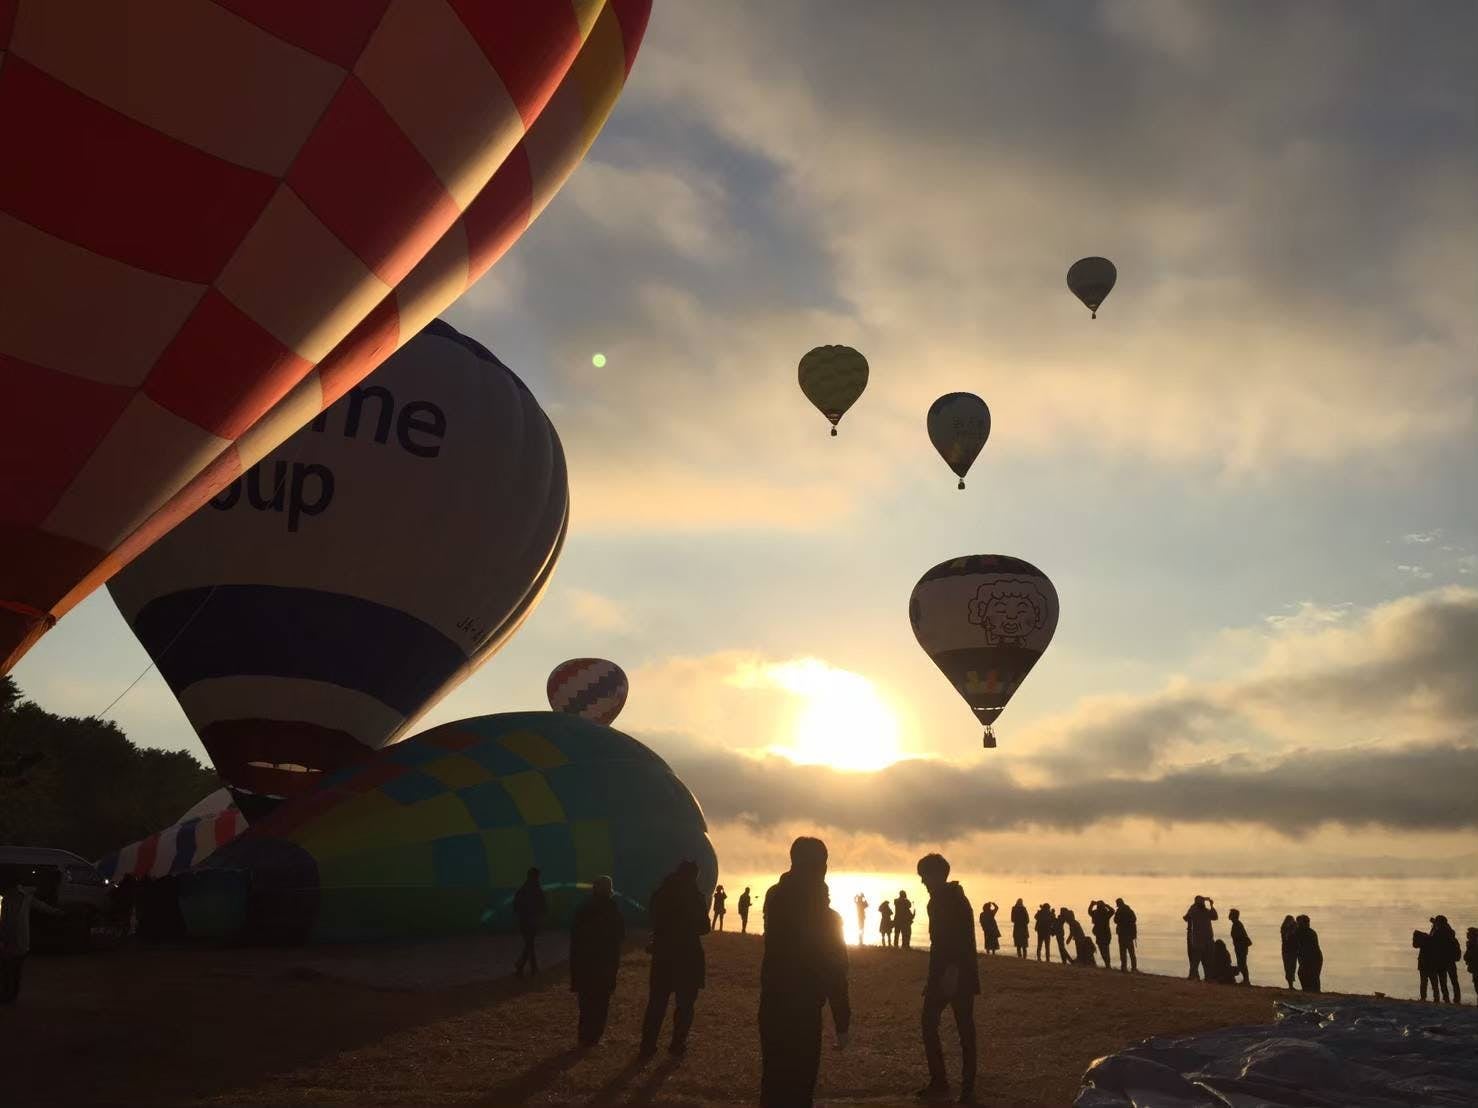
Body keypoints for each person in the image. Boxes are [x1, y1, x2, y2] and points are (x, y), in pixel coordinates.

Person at [759, 836, 852, 1108]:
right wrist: (842, 1022)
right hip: (804, 1010)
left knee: (773, 1082)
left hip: (773, 1003)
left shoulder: (774, 898)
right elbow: (835, 971)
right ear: (823, 867)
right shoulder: (828, 918)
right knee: (801, 1087)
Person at [915, 854, 978, 1104]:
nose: (922, 882)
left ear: (937, 875)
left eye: (924, 876)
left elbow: (959, 940)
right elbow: (939, 943)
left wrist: (951, 972)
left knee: (963, 1029)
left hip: (956, 975)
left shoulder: (952, 901)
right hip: (944, 974)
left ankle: (964, 1087)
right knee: (934, 1024)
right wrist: (933, 978)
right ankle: (942, 1082)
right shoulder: (941, 900)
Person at [639, 860, 710, 1057]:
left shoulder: (661, 893)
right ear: (693, 876)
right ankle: (677, 1045)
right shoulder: (694, 896)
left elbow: (652, 918)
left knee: (656, 1003)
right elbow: (705, 927)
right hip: (688, 956)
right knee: (685, 1005)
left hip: (663, 955)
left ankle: (647, 1046)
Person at [570, 876, 625, 1046]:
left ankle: (584, 1034)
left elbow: (576, 937)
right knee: (601, 1001)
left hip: (586, 962)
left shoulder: (584, 908)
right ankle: (594, 1035)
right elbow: (620, 936)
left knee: (586, 1001)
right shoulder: (613, 909)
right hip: (605, 963)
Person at [0, 875, 63, 1004]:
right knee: (13, 970)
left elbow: (7, 921)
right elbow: (42, 907)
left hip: (12, 940)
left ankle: (9, 995)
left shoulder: (10, 898)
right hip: (16, 940)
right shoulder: (22, 897)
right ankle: (10, 994)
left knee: (10, 970)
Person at [513, 867, 547, 977]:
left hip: (524, 921)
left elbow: (516, 906)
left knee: (529, 944)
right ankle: (529, 967)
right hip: (532, 921)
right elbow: (543, 907)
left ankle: (525, 966)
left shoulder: (522, 889)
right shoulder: (537, 890)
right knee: (529, 945)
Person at [1183, 895, 1218, 980]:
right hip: (1206, 940)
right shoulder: (1205, 911)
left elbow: (1186, 918)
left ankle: (1194, 977)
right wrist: (1211, 905)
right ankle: (1207, 978)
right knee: (1205, 962)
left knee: (1196, 962)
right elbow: (1215, 917)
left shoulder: (1194, 911)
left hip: (1200, 941)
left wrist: (1193, 905)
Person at [1430, 915, 1462, 1004]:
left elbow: (1431, 940)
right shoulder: (1450, 933)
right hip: (1450, 961)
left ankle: (1446, 998)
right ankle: (1456, 999)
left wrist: (1433, 927)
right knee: (1454, 981)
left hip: (1442, 960)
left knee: (1443, 981)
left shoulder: (1438, 932)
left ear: (1439, 923)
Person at [1414, 928, 1444, 1002]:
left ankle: (1425, 998)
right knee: (1433, 983)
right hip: (1430, 965)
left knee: (1426, 983)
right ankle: (1435, 998)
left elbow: (1415, 945)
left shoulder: (1425, 940)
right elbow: (1415, 945)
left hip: (1427, 965)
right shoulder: (1431, 940)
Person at [1294, 914, 1322, 993]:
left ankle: (1313, 991)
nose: (1298, 924)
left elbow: (1307, 947)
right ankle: (1308, 991)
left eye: (1299, 923)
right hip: (1308, 957)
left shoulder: (1309, 933)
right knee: (1303, 974)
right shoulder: (1302, 931)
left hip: (1313, 957)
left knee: (1313, 976)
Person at [1113, 898, 1138, 973]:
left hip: (1122, 934)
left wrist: (1122, 922)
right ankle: (1134, 968)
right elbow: (1134, 920)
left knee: (1123, 952)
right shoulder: (1129, 910)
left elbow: (1115, 920)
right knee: (1131, 952)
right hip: (1129, 934)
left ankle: (1124, 968)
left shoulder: (1119, 911)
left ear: (1119, 904)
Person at [1228, 908, 1252, 985]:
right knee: (1242, 963)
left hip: (1241, 948)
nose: (1229, 915)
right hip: (1240, 947)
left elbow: (1239, 937)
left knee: (1242, 963)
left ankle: (1246, 980)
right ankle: (1246, 980)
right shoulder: (1236, 924)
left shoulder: (1237, 924)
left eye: (1231, 914)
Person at [1087, 900, 1113, 969]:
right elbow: (1112, 911)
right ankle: (1108, 965)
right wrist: (1107, 905)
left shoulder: (1096, 913)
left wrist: (1092, 904)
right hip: (1106, 934)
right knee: (1106, 950)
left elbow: (1089, 912)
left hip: (1099, 934)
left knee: (1102, 950)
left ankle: (1107, 965)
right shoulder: (1105, 913)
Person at [1279, 915, 1298, 989]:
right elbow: (1288, 938)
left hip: (1289, 950)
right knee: (1290, 967)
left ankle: (1290, 985)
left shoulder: (1285, 929)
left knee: (1290, 967)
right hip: (1289, 951)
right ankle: (1291, 985)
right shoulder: (1286, 929)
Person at [1464, 927, 1478, 1001]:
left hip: (1475, 967)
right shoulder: (1471, 943)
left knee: (1476, 984)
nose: (1467, 934)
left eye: (1469, 933)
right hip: (1474, 967)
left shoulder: (1473, 944)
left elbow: (1469, 955)